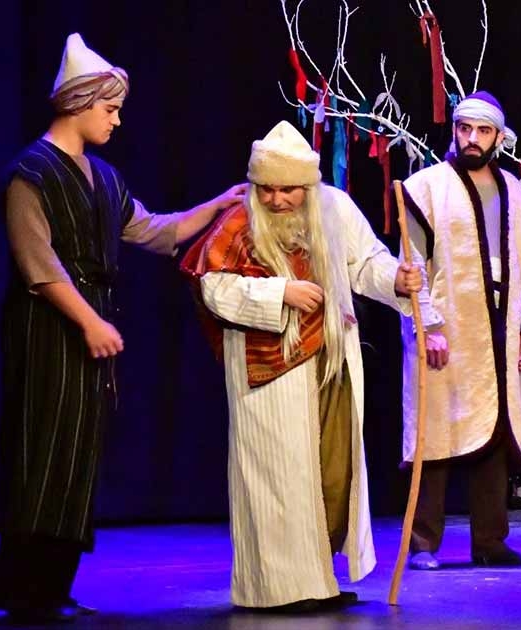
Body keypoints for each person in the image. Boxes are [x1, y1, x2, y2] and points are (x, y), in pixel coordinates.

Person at [0, 33, 245, 623]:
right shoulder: (30, 174)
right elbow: (39, 265)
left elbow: (155, 230)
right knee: (42, 449)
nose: (117, 120)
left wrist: (218, 204)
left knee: (77, 453)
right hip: (48, 327)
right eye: (109, 108)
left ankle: (53, 588)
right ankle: (26, 591)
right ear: (79, 103)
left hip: (91, 320)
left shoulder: (103, 176)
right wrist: (90, 321)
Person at [180, 120, 423, 610]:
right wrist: (281, 293)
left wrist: (397, 280)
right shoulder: (239, 220)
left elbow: (364, 263)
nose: (275, 200)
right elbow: (213, 287)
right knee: (278, 479)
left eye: (287, 190)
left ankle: (317, 582)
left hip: (328, 361)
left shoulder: (334, 208)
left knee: (329, 472)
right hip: (267, 373)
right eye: (266, 189)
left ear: (308, 187)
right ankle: (276, 590)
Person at [398, 91, 521, 570]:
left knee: (496, 431)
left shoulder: (516, 194)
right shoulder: (427, 188)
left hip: (499, 328)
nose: (472, 139)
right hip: (447, 326)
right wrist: (427, 325)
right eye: (465, 129)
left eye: (483, 131)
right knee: (436, 432)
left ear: (499, 137)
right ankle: (422, 543)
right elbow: (412, 264)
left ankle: (490, 542)